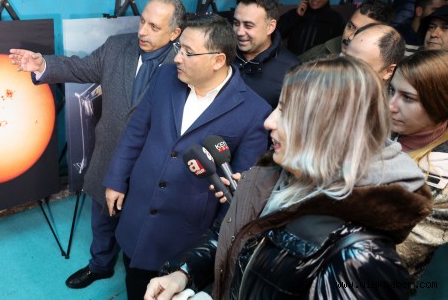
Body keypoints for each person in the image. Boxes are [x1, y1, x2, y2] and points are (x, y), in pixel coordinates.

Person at [145, 55, 433, 300]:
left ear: (328, 128)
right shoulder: (275, 177)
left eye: (286, 111)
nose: (269, 121)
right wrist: (184, 273)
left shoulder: (360, 256)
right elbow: (234, 235)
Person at [9, 0, 185, 289]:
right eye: (142, 21)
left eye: (154, 27)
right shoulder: (117, 46)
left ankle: (147, 276)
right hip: (110, 156)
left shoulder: (184, 63)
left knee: (146, 227)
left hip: (153, 168)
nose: (142, 31)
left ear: (175, 32)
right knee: (103, 219)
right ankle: (101, 264)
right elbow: (80, 68)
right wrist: (42, 65)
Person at [102, 14, 271, 299]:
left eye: (188, 52)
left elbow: (238, 193)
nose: (178, 58)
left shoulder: (254, 111)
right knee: (134, 280)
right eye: (180, 48)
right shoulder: (165, 77)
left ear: (218, 60)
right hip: (139, 212)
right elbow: (135, 132)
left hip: (185, 232)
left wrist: (215, 248)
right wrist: (117, 178)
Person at [390, 50, 448, 290]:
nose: (391, 105)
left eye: (408, 98)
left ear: (439, 104)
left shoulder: (441, 178)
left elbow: (400, 254)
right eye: (392, 91)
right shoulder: (381, 131)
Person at [232, 0, 299, 108]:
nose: (240, 32)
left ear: (270, 27)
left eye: (248, 26)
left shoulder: (293, 71)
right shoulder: (222, 54)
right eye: (236, 23)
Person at [299, 0, 394, 62]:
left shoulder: (384, 74)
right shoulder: (320, 53)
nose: (350, 37)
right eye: (350, 26)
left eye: (362, 32)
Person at [277, 0, 345, 55]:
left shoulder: (336, 20)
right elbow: (275, 35)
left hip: (317, 67)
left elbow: (339, 51)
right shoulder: (295, 14)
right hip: (291, 65)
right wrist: (296, 16)